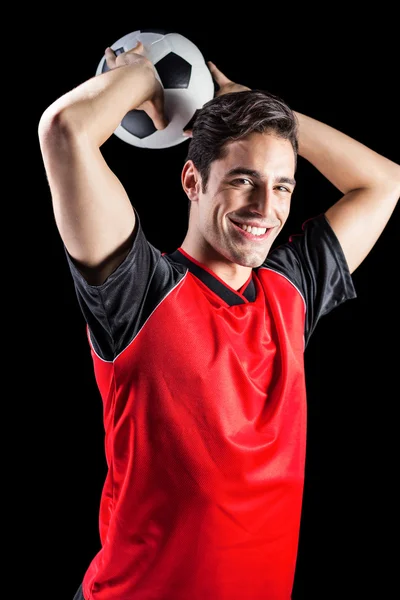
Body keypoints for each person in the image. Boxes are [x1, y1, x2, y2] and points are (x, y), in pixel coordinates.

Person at [38, 41, 400, 600]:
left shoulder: (290, 292)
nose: (265, 207)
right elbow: (64, 131)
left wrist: (252, 102)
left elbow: (382, 182)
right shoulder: (138, 292)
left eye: (282, 185)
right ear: (191, 182)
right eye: (241, 180)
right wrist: (143, 76)